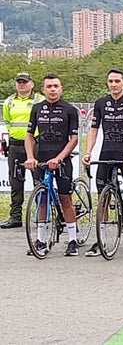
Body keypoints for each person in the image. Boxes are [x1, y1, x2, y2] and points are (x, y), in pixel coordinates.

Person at [82, 68, 123, 257]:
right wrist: (88, 152)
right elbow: (94, 129)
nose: (113, 84)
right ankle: (100, 240)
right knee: (103, 199)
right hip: (106, 153)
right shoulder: (101, 103)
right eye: (110, 81)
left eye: (117, 81)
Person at [24, 74, 79, 256]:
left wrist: (60, 158)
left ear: (61, 89)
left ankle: (72, 240)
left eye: (56, 86)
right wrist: (30, 157)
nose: (53, 89)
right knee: (42, 199)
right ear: (43, 90)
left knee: (65, 199)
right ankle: (40, 240)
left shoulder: (70, 110)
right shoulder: (37, 108)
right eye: (49, 86)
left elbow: (74, 139)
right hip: (41, 158)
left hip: (62, 160)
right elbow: (29, 136)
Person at [1, 73, 44, 229]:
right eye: (19, 82)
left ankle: (41, 216)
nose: (21, 85)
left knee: (38, 180)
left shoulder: (40, 100)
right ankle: (15, 216)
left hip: (35, 144)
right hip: (15, 145)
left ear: (32, 84)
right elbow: (8, 121)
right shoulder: (9, 102)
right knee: (15, 181)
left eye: (25, 82)